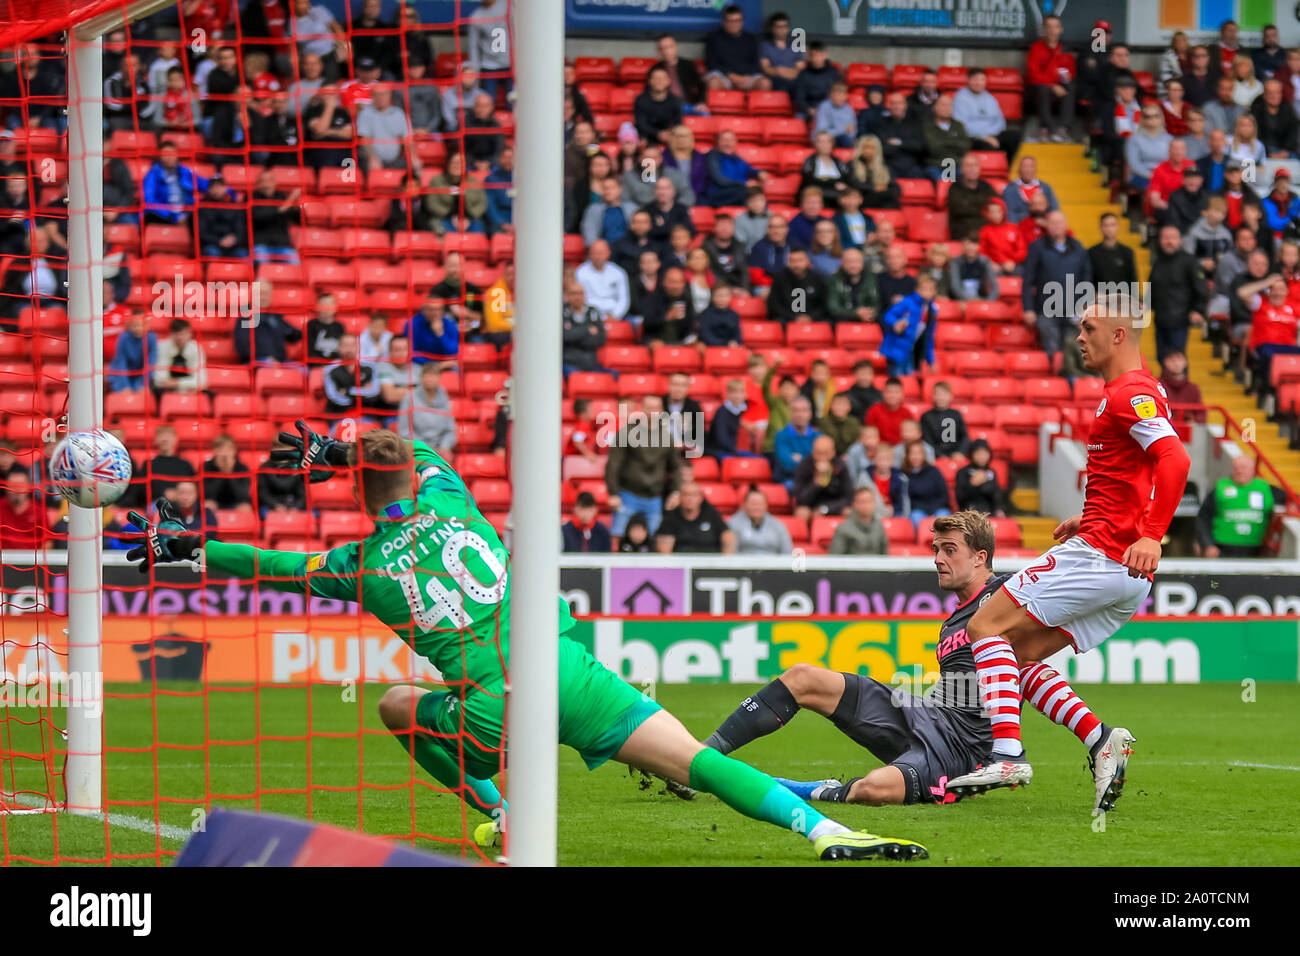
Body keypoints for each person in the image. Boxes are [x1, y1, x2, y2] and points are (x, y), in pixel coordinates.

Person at [127, 426, 918, 861]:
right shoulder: (453, 495)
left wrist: (187, 548)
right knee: (704, 766)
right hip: (568, 673)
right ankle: (831, 836)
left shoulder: (359, 567)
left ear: (360, 495)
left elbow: (271, 566)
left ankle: (498, 817)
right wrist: (339, 450)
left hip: (491, 709)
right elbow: (411, 451)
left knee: (398, 704)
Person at [944, 292, 1190, 806]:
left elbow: (1175, 460)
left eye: (1089, 327)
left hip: (1103, 555)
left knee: (982, 627)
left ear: (1118, 334)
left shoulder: (1129, 393)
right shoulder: (1134, 392)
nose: (1079, 337)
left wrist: (1150, 532)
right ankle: (1102, 740)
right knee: (1015, 654)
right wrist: (1100, 516)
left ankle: (1007, 757)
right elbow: (1138, 471)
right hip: (1123, 569)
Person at [715, 511, 1119, 810]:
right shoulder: (953, 623)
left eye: (949, 550)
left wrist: (1093, 528)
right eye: (935, 550)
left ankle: (801, 789)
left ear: (980, 557)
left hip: (962, 748)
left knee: (873, 790)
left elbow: (1065, 578)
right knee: (803, 677)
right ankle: (700, 755)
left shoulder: (1010, 597)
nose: (938, 559)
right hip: (925, 713)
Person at [1022, 210, 1092, 376]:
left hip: (1072, 310)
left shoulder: (1078, 248)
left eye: (1060, 223)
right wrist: (1028, 309)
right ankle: (1054, 384)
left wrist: (1084, 308)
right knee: (1052, 349)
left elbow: (1086, 280)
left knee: (1073, 348)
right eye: (1053, 223)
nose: (1057, 226)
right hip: (1045, 309)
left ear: (1066, 225)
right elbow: (1027, 280)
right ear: (1047, 226)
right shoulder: (1037, 248)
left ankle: (1073, 384)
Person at [605, 396, 681, 540]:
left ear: (661, 411)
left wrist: (676, 491)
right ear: (642, 409)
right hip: (628, 494)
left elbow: (676, 467)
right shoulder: (626, 433)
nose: (652, 412)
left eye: (656, 408)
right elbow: (613, 464)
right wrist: (613, 493)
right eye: (649, 408)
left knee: (653, 539)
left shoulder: (667, 437)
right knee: (618, 536)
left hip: (654, 498)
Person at [1196, 454, 1286, 558]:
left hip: (1255, 550)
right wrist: (1208, 545)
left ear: (1253, 470)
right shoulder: (1221, 487)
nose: (1239, 471)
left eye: (1243, 467)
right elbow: (1203, 518)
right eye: (1236, 468)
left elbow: (1288, 500)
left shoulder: (1265, 488)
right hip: (1223, 549)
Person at [1149, 224, 1208, 363]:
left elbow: (1201, 289)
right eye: (1165, 238)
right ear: (1160, 240)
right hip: (1160, 320)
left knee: (1177, 361)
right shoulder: (1157, 262)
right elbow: (1151, 288)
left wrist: (1198, 310)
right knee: (1162, 359)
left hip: (1180, 320)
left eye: (1173, 238)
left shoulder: (1189, 262)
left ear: (1180, 240)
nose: (1169, 242)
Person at [1026, 14, 1076, 142]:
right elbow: (1033, 74)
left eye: (1056, 27)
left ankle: (1063, 129)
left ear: (1061, 29)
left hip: (1058, 88)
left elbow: (1068, 73)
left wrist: (1065, 79)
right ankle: (1047, 129)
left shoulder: (1065, 50)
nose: (1052, 30)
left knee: (1070, 87)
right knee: (1042, 89)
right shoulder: (1036, 48)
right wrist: (1052, 85)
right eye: (1049, 27)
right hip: (1039, 89)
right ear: (1043, 29)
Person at [703, 4, 771, 93]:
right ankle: (716, 107)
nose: (734, 24)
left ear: (742, 22)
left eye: (737, 21)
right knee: (713, 82)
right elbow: (711, 63)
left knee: (765, 83)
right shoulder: (713, 37)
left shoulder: (751, 38)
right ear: (724, 22)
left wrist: (746, 77)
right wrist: (730, 75)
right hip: (723, 76)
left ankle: (756, 107)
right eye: (730, 21)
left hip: (747, 77)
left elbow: (756, 63)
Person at [880, 274, 938, 376]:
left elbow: (929, 338)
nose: (926, 292)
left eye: (930, 289)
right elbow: (888, 315)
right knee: (897, 380)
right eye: (923, 289)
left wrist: (931, 361)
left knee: (909, 382)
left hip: (912, 352)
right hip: (897, 350)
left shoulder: (932, 311)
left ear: (934, 292)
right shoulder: (907, 302)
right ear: (916, 289)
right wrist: (895, 323)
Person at [656, 481, 735, 554]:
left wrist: (726, 562)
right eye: (686, 495)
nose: (690, 499)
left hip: (710, 563)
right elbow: (664, 549)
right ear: (680, 497)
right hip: (681, 564)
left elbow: (727, 535)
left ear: (701, 498)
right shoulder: (671, 518)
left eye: (694, 495)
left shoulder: (711, 514)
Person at [397, 362, 456, 457]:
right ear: (421, 377)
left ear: (440, 378)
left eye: (434, 375)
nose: (430, 379)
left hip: (440, 451)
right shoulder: (409, 398)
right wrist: (425, 448)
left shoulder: (445, 398)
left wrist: (445, 447)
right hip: (416, 449)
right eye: (427, 375)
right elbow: (404, 431)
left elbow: (450, 430)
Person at [793, 435, 853, 522]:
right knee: (801, 513)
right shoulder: (804, 466)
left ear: (833, 453)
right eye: (818, 453)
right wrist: (816, 483)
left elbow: (848, 498)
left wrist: (825, 509)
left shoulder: (841, 467)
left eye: (825, 453)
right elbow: (800, 499)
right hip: (811, 507)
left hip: (832, 507)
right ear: (813, 452)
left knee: (849, 512)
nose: (822, 458)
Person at [768, 248, 830, 325]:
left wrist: (811, 317)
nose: (796, 265)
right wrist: (793, 318)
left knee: (828, 324)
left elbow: (825, 304)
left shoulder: (818, 278)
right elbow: (775, 304)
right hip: (786, 320)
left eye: (800, 260)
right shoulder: (779, 278)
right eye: (792, 261)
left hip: (814, 319)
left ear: (807, 261)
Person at [561, 281, 610, 378]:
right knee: (577, 377)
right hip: (570, 363)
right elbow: (565, 337)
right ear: (566, 296)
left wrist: (575, 334)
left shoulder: (593, 312)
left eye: (580, 293)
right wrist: (587, 330)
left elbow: (601, 338)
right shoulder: (562, 311)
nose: (578, 297)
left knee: (612, 376)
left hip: (591, 363)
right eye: (574, 293)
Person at [772, 396, 820, 491]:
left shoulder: (818, 436)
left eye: (804, 410)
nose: (800, 414)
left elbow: (824, 462)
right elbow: (787, 464)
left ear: (810, 414)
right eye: (796, 410)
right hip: (790, 480)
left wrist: (800, 459)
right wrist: (811, 461)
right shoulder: (781, 435)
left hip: (813, 480)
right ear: (790, 414)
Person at [727, 488, 792, 555]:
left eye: (761, 503)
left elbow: (787, 551)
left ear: (766, 505)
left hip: (772, 563)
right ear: (744, 505)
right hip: (744, 563)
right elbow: (730, 552)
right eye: (753, 503)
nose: (757, 507)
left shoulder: (777, 525)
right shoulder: (733, 524)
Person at [899, 440, 950, 526]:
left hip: (938, 508)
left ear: (924, 455)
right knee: (916, 517)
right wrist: (926, 511)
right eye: (912, 453)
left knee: (944, 517)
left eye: (919, 453)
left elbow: (943, 495)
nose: (916, 457)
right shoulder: (904, 475)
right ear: (907, 455)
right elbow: (909, 500)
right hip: (918, 510)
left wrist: (932, 511)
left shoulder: (934, 471)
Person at [152, 318, 206, 397]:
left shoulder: (196, 349)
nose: (180, 338)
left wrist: (177, 383)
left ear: (190, 334)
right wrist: (188, 384)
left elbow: (202, 381)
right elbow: (159, 381)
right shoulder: (161, 347)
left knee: (208, 396)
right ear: (171, 334)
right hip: (166, 392)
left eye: (183, 334)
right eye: (177, 334)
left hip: (191, 392)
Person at [827, 486, 888, 555]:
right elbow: (834, 558)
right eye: (862, 502)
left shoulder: (879, 527)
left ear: (874, 503)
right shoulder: (843, 528)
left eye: (869, 501)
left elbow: (885, 556)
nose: (866, 505)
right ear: (855, 504)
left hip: (876, 565)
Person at [1001, 155, 1059, 224]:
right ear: (1019, 169)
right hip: (1020, 229)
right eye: (1025, 166)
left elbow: (1054, 210)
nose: (1028, 170)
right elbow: (1009, 215)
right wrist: (1031, 222)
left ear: (1035, 169)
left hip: (1044, 228)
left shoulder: (1046, 188)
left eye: (1031, 166)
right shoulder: (1010, 190)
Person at [107, 316, 156, 393]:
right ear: (130, 326)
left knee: (143, 392)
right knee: (123, 394)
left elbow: (150, 363)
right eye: (135, 325)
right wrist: (126, 386)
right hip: (120, 374)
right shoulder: (123, 337)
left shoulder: (152, 338)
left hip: (140, 375)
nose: (138, 328)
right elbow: (121, 363)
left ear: (147, 326)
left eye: (142, 325)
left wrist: (142, 384)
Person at [954, 439, 1004, 516]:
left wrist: (998, 509)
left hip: (989, 513)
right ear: (972, 454)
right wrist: (972, 485)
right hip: (968, 513)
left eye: (985, 453)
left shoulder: (992, 472)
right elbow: (960, 499)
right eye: (979, 453)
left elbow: (996, 497)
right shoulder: (963, 472)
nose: (982, 457)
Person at [921, 382, 969, 459]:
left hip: (956, 455)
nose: (941, 397)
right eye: (938, 394)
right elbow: (927, 441)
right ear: (933, 396)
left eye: (944, 394)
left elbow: (964, 436)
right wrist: (940, 455)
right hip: (935, 456)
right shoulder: (926, 416)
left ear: (951, 396)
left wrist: (960, 452)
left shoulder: (956, 414)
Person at [406, 295, 460, 363]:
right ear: (423, 310)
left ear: (443, 310)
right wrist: (435, 365)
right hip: (421, 365)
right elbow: (411, 353)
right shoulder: (412, 325)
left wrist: (441, 334)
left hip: (446, 364)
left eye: (438, 309)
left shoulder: (450, 324)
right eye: (430, 309)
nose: (435, 313)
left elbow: (454, 352)